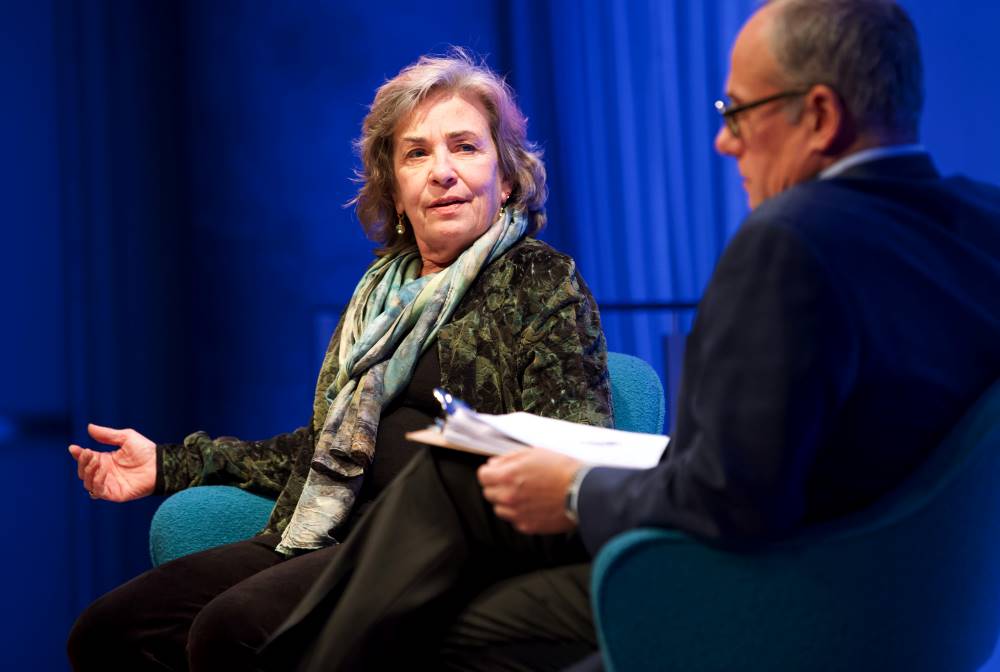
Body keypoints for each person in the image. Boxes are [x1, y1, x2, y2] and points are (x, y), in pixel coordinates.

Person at [260, 1, 1000, 670]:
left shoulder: (792, 242)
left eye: (738, 112)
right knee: (452, 493)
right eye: (416, 153)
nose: (723, 141)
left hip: (775, 590)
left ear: (819, 115)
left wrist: (578, 488)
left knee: (437, 604)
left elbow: (733, 503)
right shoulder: (981, 225)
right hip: (908, 600)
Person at [65, 49, 613, 672]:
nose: (442, 172)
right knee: (109, 632)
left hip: (434, 547)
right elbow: (325, 450)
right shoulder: (379, 298)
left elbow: (573, 445)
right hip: (332, 528)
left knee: (232, 631)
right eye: (417, 154)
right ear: (396, 193)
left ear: (507, 177)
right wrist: (170, 463)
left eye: (465, 147)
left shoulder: (540, 280)